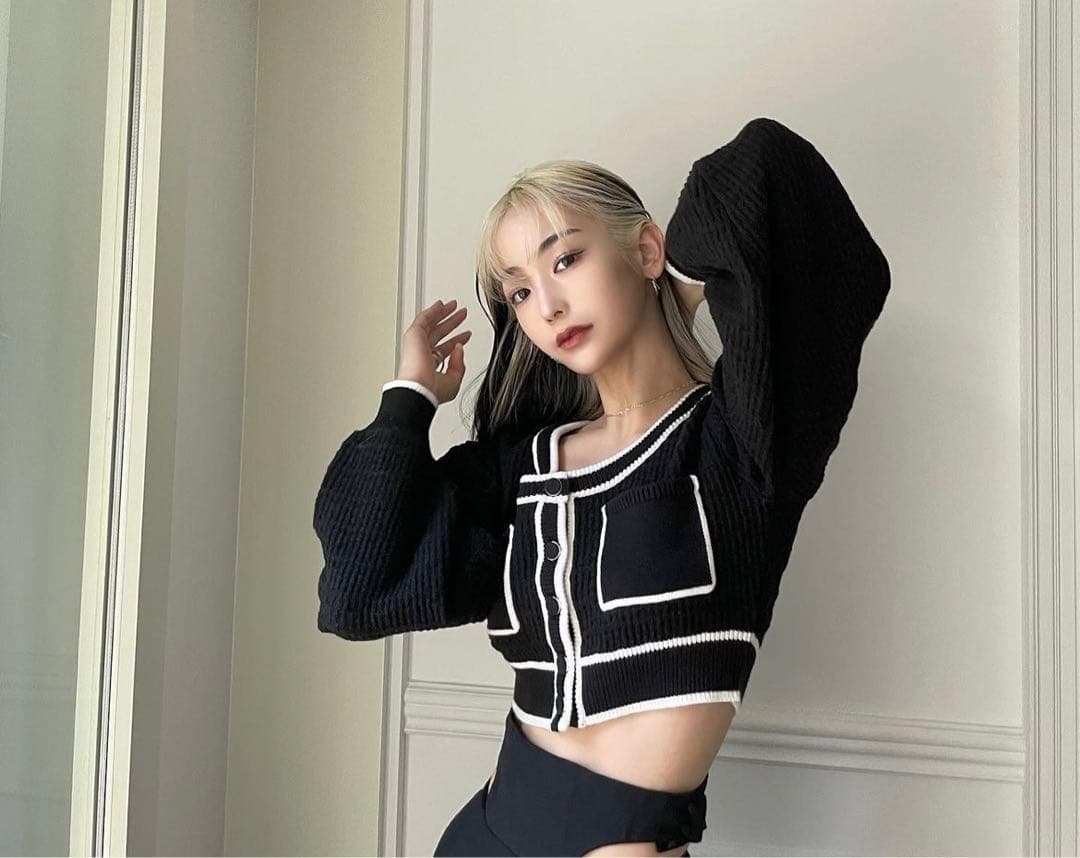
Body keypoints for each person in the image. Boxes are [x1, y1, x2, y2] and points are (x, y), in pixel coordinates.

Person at [313, 117, 891, 856]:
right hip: (488, 833)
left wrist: (676, 286)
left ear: (646, 249)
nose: (547, 306)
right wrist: (408, 397)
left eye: (566, 260)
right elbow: (356, 590)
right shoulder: (520, 469)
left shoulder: (738, 442)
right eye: (519, 292)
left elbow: (766, 169)